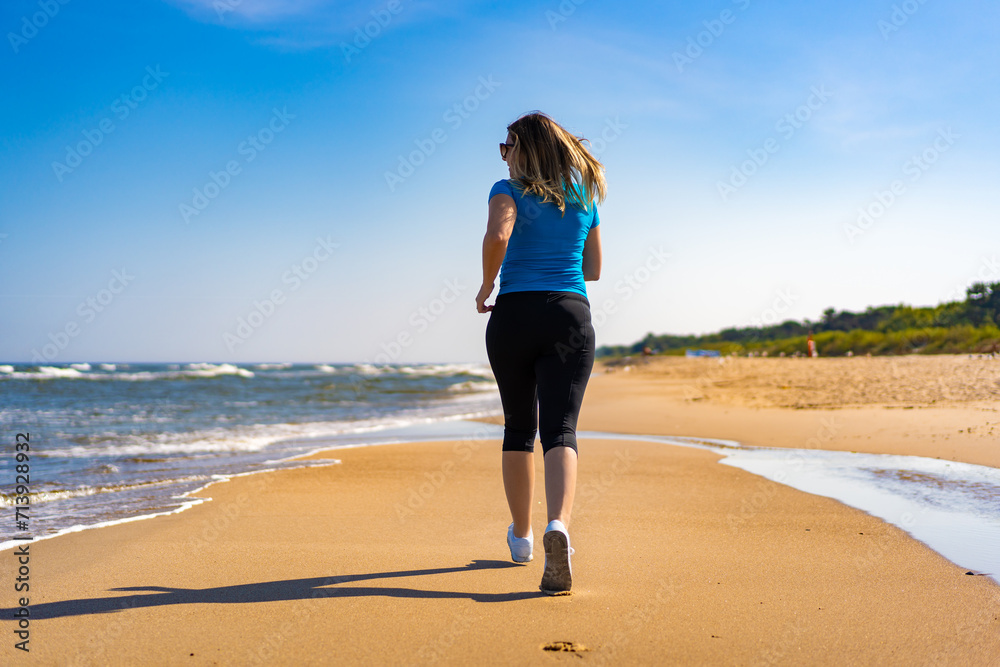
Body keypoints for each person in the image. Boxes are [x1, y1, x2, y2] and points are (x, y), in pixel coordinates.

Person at [476, 111, 606, 595]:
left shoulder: (505, 190)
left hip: (513, 315)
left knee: (518, 427)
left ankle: (523, 538)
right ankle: (559, 527)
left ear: (525, 149)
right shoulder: (584, 197)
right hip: (569, 315)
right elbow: (592, 269)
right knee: (561, 429)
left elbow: (498, 236)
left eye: (508, 146)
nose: (504, 156)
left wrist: (487, 284)